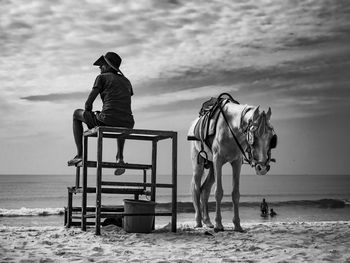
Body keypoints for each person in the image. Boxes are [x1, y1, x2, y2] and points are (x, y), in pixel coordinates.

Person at [68, 52, 134, 175]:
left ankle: (80, 154)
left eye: (102, 65)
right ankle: (120, 157)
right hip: (128, 122)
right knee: (121, 121)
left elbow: (88, 104)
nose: (100, 68)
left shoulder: (101, 78)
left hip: (107, 119)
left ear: (108, 66)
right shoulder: (127, 81)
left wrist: (88, 115)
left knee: (76, 114)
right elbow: (122, 103)